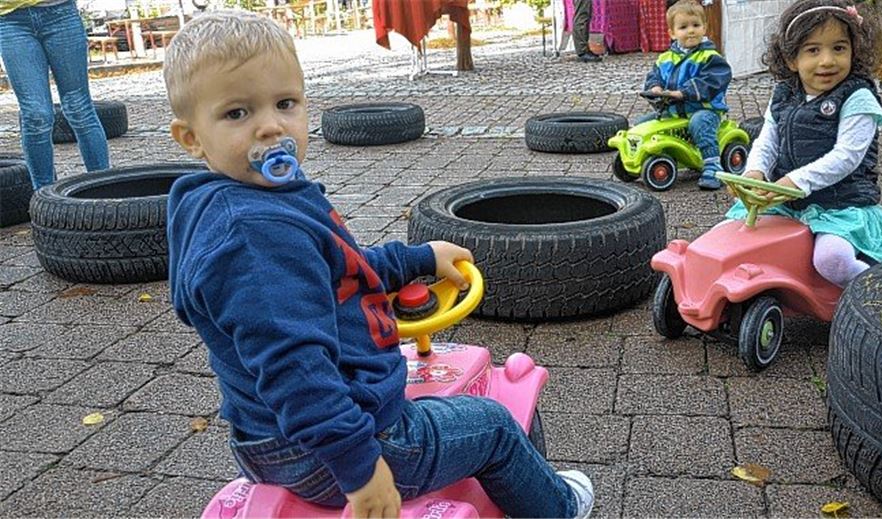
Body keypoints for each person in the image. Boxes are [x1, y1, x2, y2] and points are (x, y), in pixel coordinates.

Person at [163, 11, 594, 519]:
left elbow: (342, 267)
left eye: (285, 103)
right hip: (342, 441)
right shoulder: (256, 238)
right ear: (191, 137)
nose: (271, 126)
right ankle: (558, 506)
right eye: (237, 113)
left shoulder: (239, 203)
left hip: (269, 438)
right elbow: (294, 368)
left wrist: (416, 259)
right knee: (494, 425)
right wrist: (362, 470)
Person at [726, 0, 882, 287]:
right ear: (791, 59)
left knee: (832, 260)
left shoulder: (858, 98)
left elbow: (846, 157)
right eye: (813, 50)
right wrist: (754, 173)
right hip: (788, 201)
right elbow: (768, 139)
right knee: (732, 235)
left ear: (853, 51)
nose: (827, 61)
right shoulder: (784, 93)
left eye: (839, 48)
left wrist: (794, 182)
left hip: (841, 205)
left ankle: (876, 293)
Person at [0, 0, 110, 189]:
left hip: (61, 14)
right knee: (36, 115)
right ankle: (44, 199)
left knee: (79, 108)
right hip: (10, 20)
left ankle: (104, 190)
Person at [639, 0, 732, 190]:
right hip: (674, 111)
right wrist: (655, 87)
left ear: (704, 27)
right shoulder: (665, 58)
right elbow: (654, 76)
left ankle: (712, 166)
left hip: (704, 109)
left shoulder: (710, 57)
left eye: (696, 25)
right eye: (683, 27)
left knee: (700, 123)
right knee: (643, 124)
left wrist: (684, 92)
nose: (691, 31)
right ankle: (638, 160)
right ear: (672, 33)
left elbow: (712, 81)